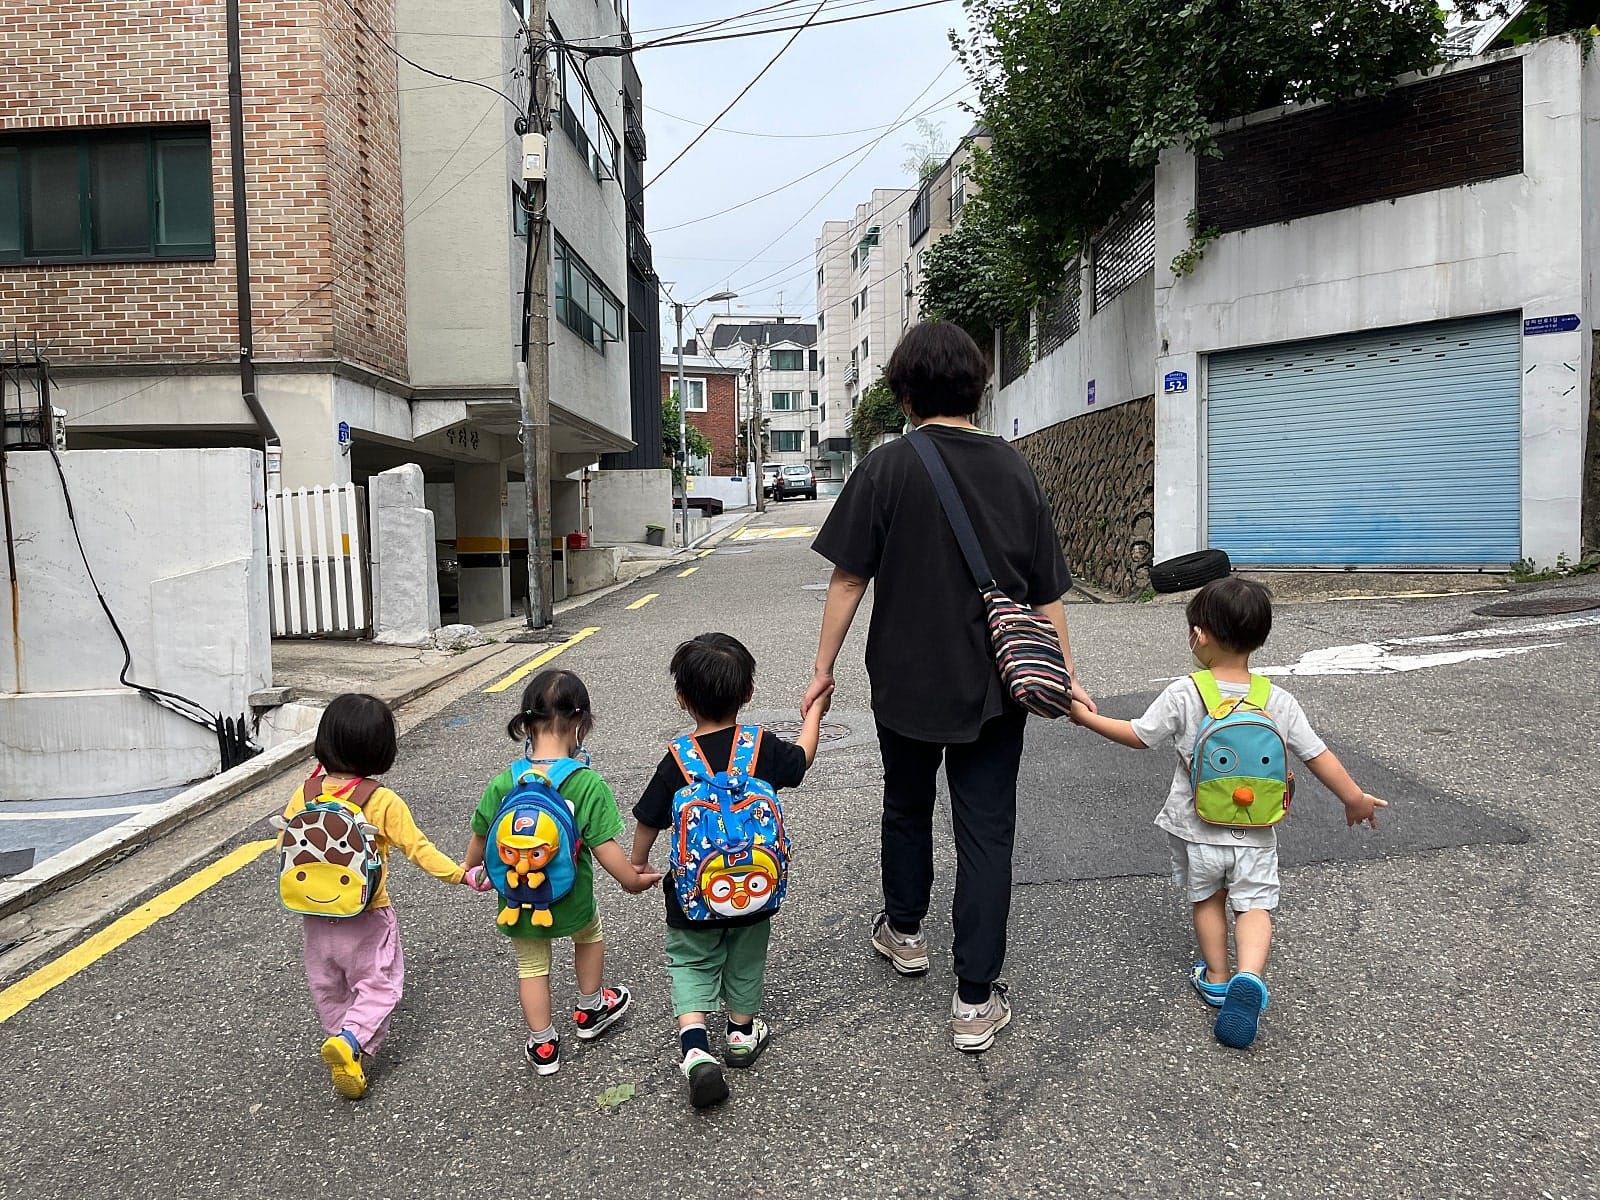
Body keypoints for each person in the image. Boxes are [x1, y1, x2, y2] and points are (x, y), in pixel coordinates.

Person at [805, 320, 1093, 1054]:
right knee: (986, 829)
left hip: (904, 680)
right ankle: (973, 1001)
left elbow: (847, 577)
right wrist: (1062, 674)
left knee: (906, 803)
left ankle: (905, 932)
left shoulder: (886, 467)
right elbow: (1048, 590)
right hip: (1000, 684)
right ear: (977, 386)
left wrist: (822, 669)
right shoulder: (1015, 468)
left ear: (904, 394)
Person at [1069, 576, 1387, 1049]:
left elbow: (1139, 735)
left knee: (1208, 900)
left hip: (1197, 828)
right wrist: (1354, 797)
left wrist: (1085, 717)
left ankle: (1217, 977)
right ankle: (1250, 976)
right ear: (1260, 638)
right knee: (1254, 904)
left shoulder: (1186, 692)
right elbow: (1316, 754)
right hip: (1256, 832)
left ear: (1199, 636)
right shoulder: (1276, 700)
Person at [632, 633, 825, 1108]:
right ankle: (740, 1034)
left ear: (682, 699)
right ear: (748, 693)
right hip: (754, 893)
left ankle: (697, 1051)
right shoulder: (759, 745)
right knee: (745, 957)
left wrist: (636, 864)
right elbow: (801, 760)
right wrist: (814, 714)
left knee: (691, 961)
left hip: (692, 896)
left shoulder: (677, 759)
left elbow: (649, 819)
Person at [465, 670, 661, 1076]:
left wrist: (470, 869)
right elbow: (606, 848)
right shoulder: (585, 783)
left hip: (519, 899)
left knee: (531, 967)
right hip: (571, 897)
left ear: (525, 723)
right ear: (580, 724)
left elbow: (481, 834)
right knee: (589, 935)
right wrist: (631, 880)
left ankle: (543, 1046)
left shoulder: (505, 781)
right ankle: (591, 1010)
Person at [281, 693, 472, 1100]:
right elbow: (419, 849)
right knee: (380, 985)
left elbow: (286, 840)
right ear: (382, 749)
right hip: (367, 913)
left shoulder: (305, 793)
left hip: (315, 914)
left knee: (330, 984)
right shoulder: (380, 800)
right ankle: (350, 1044)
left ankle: (341, 1040)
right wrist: (460, 875)